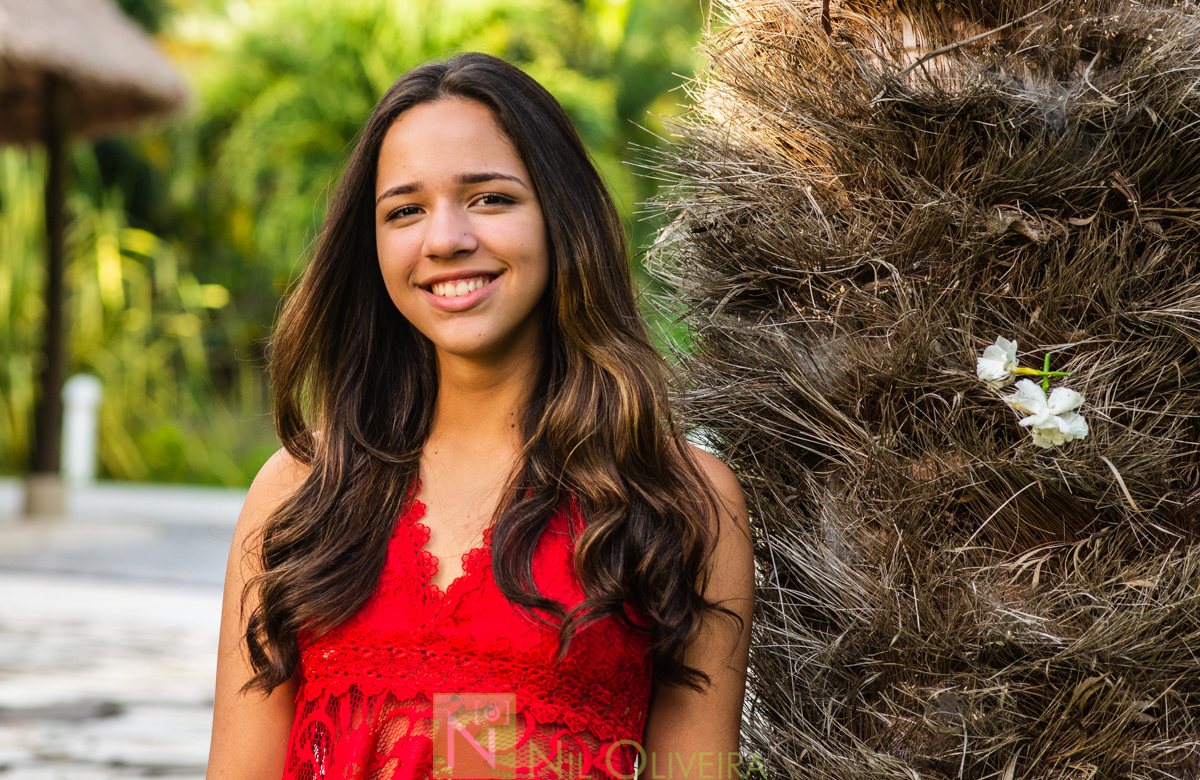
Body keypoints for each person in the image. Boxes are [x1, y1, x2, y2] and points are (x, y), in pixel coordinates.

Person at [206, 52, 754, 780]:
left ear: (561, 216)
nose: (444, 239)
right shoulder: (300, 493)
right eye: (404, 210)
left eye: (490, 198)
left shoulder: (679, 501)